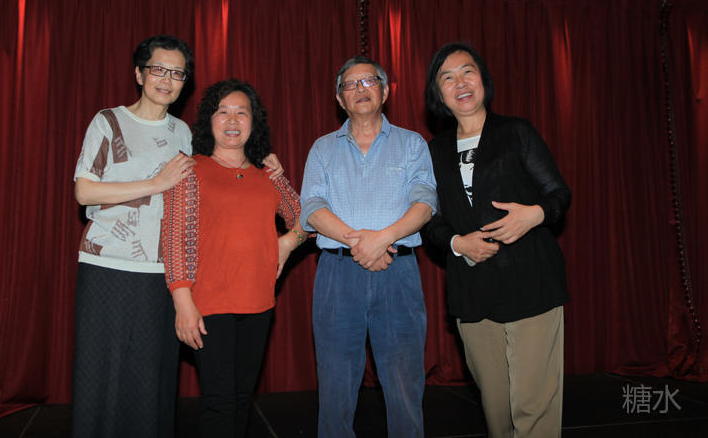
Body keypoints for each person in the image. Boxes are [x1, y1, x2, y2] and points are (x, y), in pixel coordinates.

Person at [72, 37, 281, 437]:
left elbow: (223, 171)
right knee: (103, 376)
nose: (166, 80)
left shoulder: (183, 133)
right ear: (139, 74)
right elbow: (84, 192)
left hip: (165, 273)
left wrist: (267, 166)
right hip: (109, 264)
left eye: (177, 73)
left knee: (154, 379)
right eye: (158, 70)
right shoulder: (108, 121)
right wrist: (156, 182)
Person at [423, 42, 571, 438]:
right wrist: (458, 243)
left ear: (483, 80)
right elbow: (429, 219)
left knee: (533, 405)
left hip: (531, 280)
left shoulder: (516, 131)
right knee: (497, 408)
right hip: (472, 288)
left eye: (467, 72)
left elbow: (558, 194)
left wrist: (532, 215)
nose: (460, 83)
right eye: (447, 77)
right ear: (438, 92)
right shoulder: (433, 151)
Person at [300, 56, 437, 438]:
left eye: (369, 81)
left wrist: (382, 239)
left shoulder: (411, 144)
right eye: (350, 84)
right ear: (339, 99)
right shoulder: (322, 148)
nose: (360, 89)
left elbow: (425, 201)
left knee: (405, 381)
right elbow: (311, 207)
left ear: (385, 90)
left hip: (398, 271)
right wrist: (360, 243)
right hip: (337, 274)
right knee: (335, 383)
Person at [161, 79, 304, 438]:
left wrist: (287, 243)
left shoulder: (267, 175)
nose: (232, 120)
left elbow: (306, 218)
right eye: (222, 112)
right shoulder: (188, 169)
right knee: (220, 402)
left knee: (241, 399)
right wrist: (182, 301)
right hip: (209, 304)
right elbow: (174, 239)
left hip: (259, 302)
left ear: (254, 122)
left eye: (242, 112)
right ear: (209, 120)